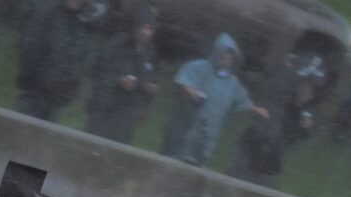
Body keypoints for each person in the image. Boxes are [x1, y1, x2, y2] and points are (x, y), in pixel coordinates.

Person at [161, 33, 269, 167]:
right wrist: (190, 91)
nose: (227, 59)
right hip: (188, 127)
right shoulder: (199, 67)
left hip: (210, 134)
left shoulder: (232, 82)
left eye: (231, 56)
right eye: (224, 54)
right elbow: (183, 81)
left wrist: (254, 109)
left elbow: (242, 100)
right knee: (177, 159)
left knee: (199, 165)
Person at [229, 54, 326, 187]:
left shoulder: (307, 111)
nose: (307, 92)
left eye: (311, 89)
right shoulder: (281, 98)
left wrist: (306, 128)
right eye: (304, 86)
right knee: (235, 185)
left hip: (272, 161)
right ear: (297, 84)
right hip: (251, 150)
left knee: (261, 196)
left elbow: (300, 135)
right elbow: (267, 126)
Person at [16, 0, 106, 122]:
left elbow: (85, 60)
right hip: (34, 92)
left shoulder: (87, 24)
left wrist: (71, 91)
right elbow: (31, 50)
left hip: (59, 98)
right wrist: (25, 84)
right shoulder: (48, 14)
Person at [85, 5, 159, 144]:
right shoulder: (118, 43)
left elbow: (149, 79)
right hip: (104, 108)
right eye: (144, 27)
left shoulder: (150, 52)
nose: (146, 32)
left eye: (150, 29)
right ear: (136, 26)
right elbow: (97, 70)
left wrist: (150, 88)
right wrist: (118, 79)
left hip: (127, 115)